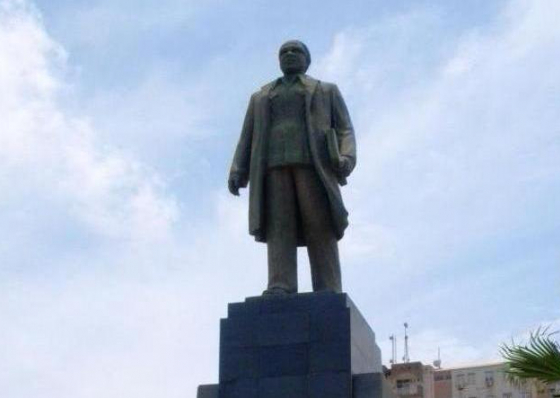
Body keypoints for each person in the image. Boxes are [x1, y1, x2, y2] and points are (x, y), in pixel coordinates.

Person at [228, 40, 356, 295]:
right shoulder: (261, 97)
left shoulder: (325, 91)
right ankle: (280, 283)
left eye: (295, 51)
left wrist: (346, 157)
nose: (288, 55)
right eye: (283, 52)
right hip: (273, 167)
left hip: (313, 165)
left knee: (319, 225)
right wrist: (237, 169)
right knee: (279, 227)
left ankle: (327, 285)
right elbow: (247, 136)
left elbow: (345, 130)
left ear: (307, 59)